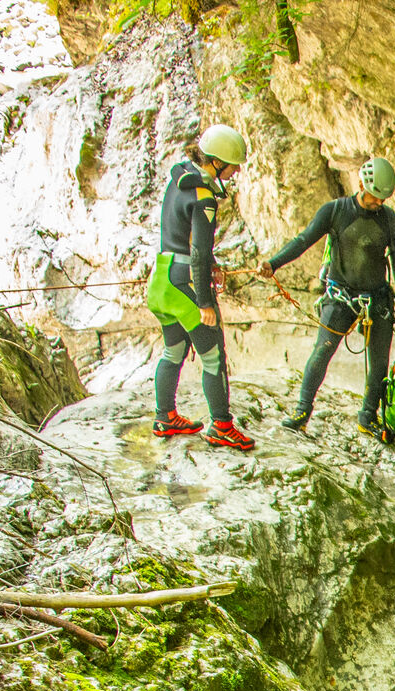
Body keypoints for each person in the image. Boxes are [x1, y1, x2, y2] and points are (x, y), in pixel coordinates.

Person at [258, 157, 395, 443]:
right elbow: (304, 240)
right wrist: (274, 263)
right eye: (374, 196)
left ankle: (368, 417)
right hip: (341, 295)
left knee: (379, 363)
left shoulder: (390, 221)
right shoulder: (336, 211)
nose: (378, 203)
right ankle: (302, 412)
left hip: (377, 299)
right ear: (361, 185)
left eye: (383, 199)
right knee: (322, 351)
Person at [148, 124, 253, 450]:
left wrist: (212, 265)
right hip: (186, 284)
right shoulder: (204, 198)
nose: (236, 171)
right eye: (233, 165)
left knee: (173, 351)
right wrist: (205, 303)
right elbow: (198, 252)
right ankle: (221, 426)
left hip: (163, 279)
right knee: (213, 357)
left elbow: (180, 237)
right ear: (217, 162)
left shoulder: (179, 179)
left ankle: (165, 417)